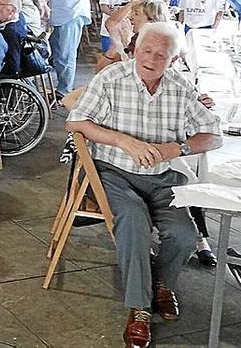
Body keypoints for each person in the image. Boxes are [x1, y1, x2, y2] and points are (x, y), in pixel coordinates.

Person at [66, 22, 222, 348]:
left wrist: (175, 149)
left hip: (164, 176)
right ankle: (139, 308)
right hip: (114, 172)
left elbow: (213, 134)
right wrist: (122, 140)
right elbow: (76, 121)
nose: (150, 59)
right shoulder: (112, 79)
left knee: (184, 234)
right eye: (145, 50)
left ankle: (162, 283)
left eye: (160, 55)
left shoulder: (180, 88)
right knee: (133, 223)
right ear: (135, 49)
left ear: (174, 60)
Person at [0, 0, 30, 79]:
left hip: (5, 73)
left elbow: (12, 66)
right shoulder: (19, 20)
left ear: (12, 11)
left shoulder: (10, 32)